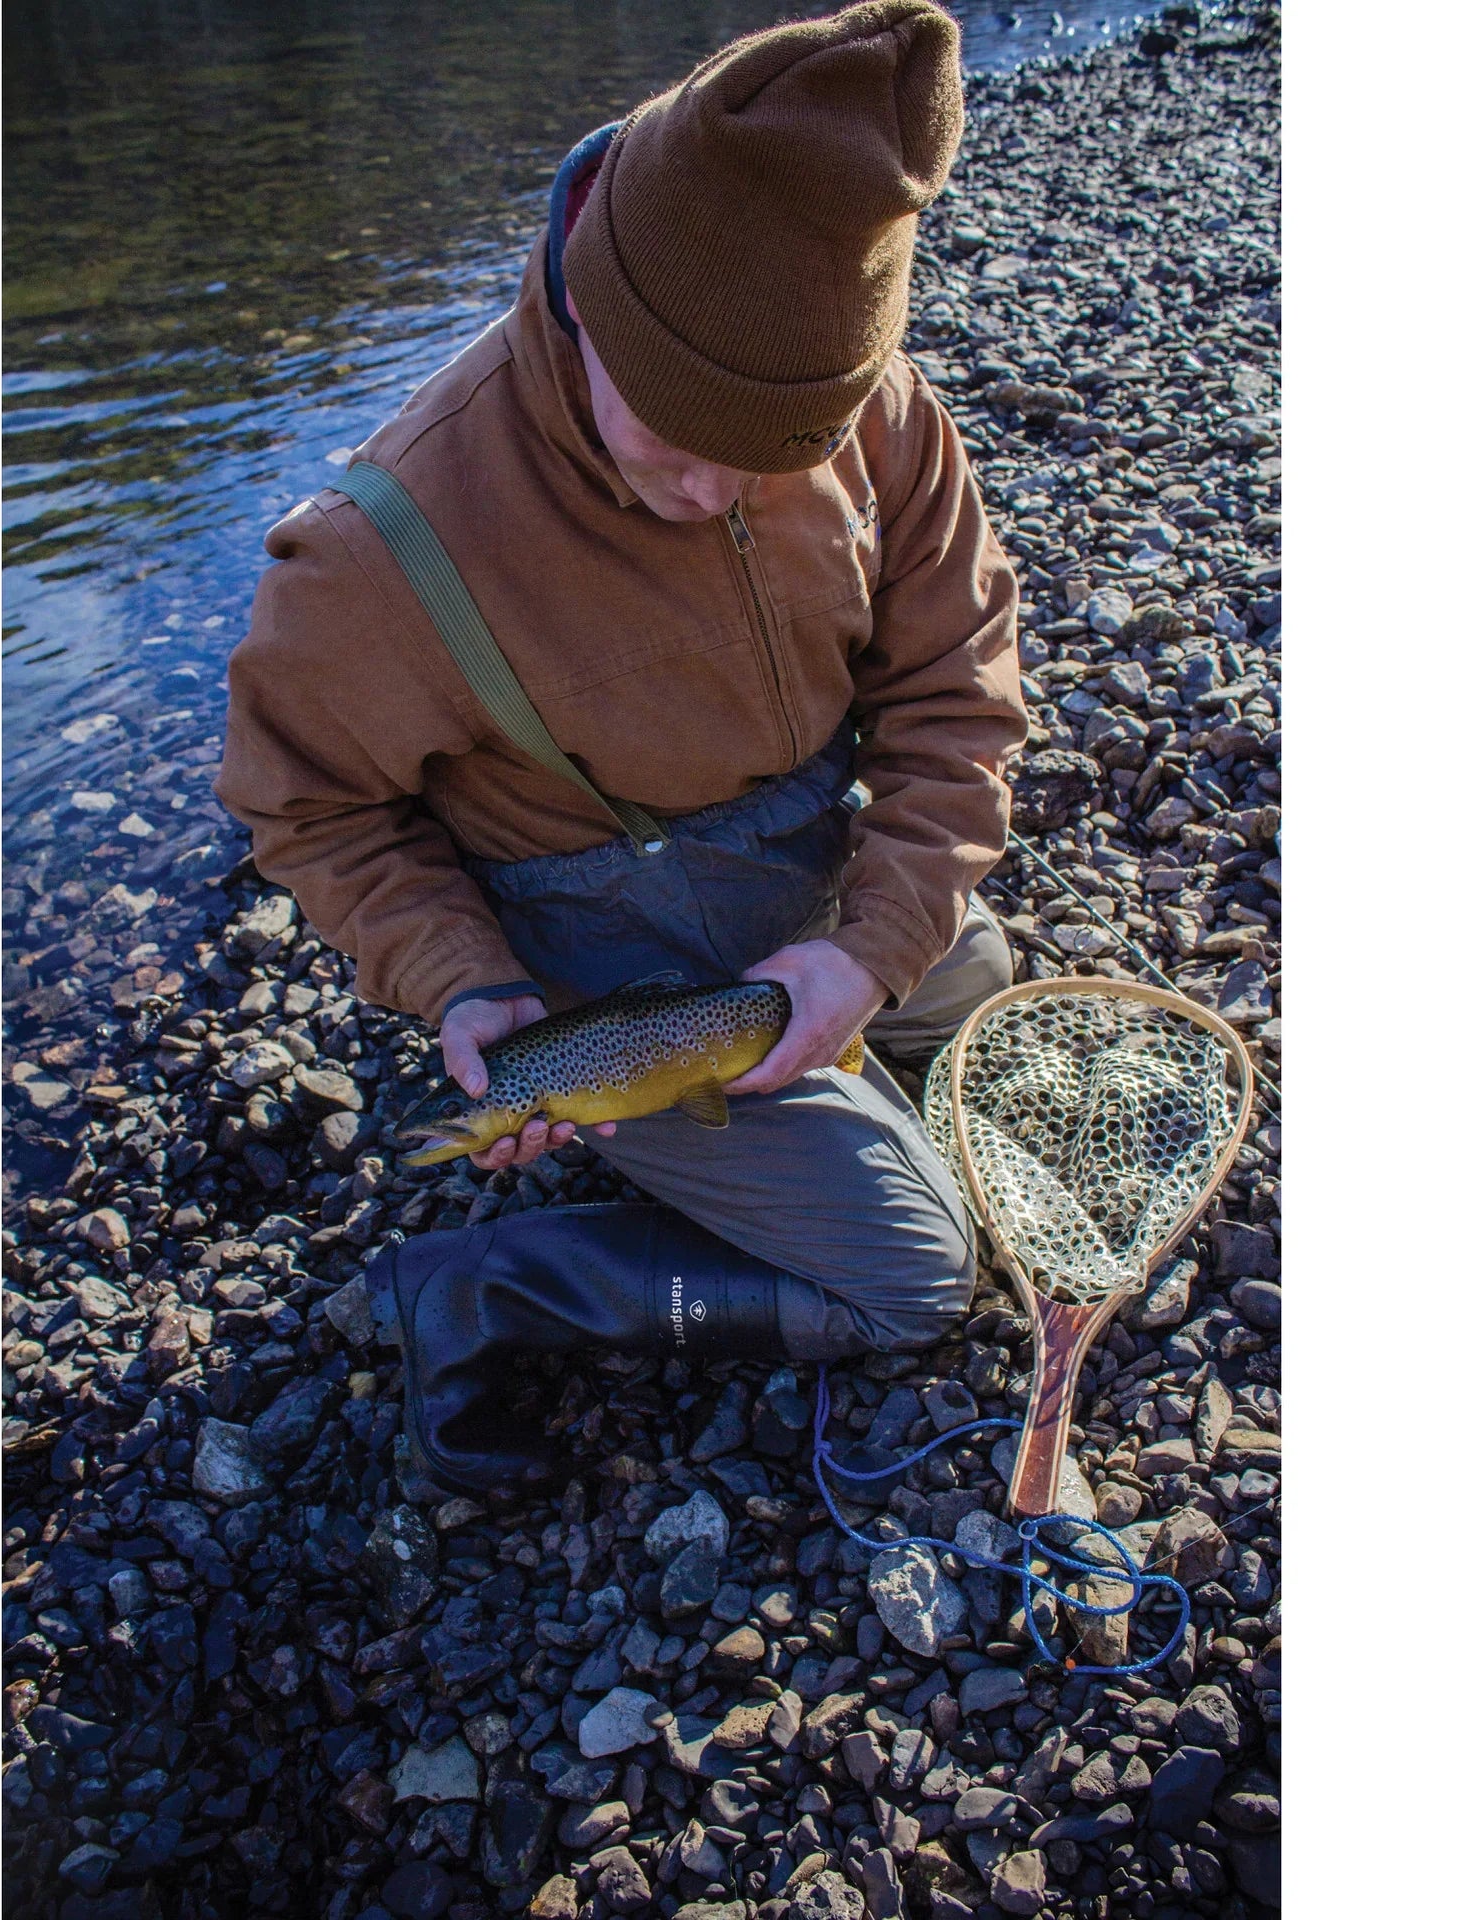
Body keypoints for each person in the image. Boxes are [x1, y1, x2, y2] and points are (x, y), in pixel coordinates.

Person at [216, 0, 1027, 1493]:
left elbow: (956, 686)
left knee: (981, 1006)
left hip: (803, 870)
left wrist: (868, 948)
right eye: (669, 435)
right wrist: (465, 985)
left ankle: (838, 1052)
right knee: (918, 1274)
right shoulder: (376, 555)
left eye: (768, 453)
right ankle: (488, 1286)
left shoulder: (883, 417)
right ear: (589, 301)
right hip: (592, 958)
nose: (709, 484)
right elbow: (315, 816)